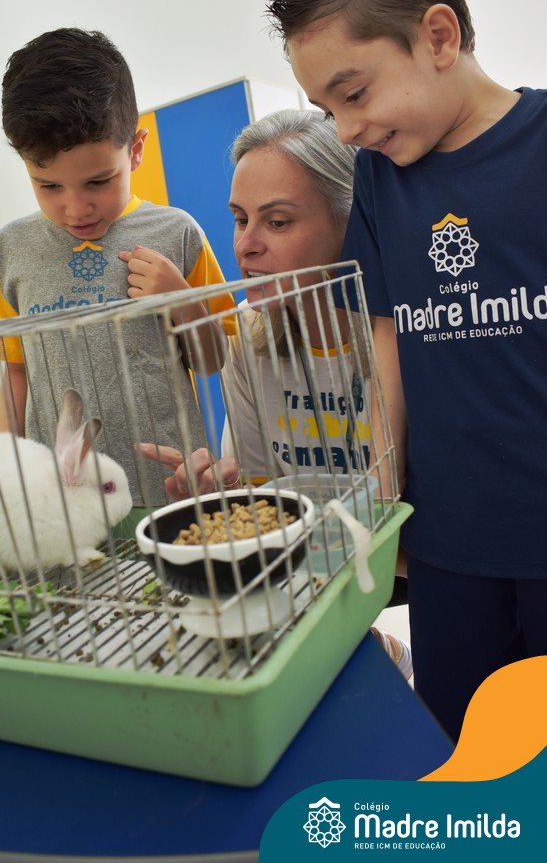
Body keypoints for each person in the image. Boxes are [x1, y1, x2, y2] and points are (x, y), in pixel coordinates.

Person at [266, 0, 547, 741]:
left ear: (438, 36)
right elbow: (387, 350)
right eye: (326, 110)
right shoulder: (380, 182)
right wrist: (379, 502)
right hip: (448, 549)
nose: (345, 129)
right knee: (465, 746)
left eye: (353, 94)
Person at [140, 108, 412, 681]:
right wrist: (221, 496)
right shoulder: (247, 336)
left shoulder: (402, 337)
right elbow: (265, 498)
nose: (246, 246)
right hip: (312, 576)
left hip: (403, 572)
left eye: (279, 221)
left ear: (351, 222)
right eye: (240, 219)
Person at [0, 27, 234, 506]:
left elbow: (212, 360)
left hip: (170, 486)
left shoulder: (178, 233)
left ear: (135, 150)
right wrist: (6, 474)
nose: (76, 208)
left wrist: (180, 299)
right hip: (60, 496)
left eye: (98, 181)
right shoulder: (9, 250)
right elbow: (15, 375)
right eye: (49, 186)